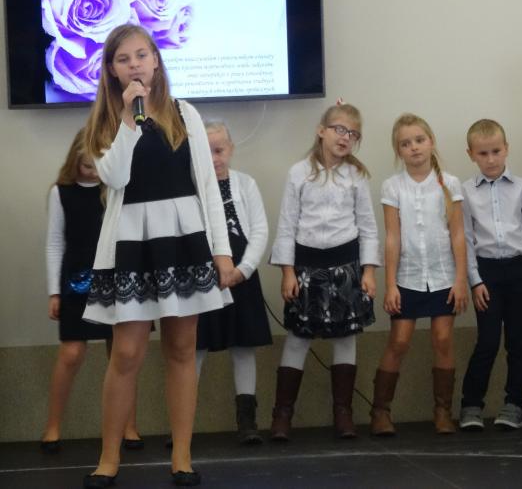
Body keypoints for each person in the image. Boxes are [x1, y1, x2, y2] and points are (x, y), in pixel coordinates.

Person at [81, 24, 233, 488]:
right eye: (124, 58)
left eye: (142, 55)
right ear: (111, 69)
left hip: (183, 238)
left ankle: (181, 457)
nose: (135, 65)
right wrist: (130, 121)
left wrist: (221, 252)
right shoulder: (105, 121)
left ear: (156, 60)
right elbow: (115, 177)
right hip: (131, 242)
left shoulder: (185, 112)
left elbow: (207, 185)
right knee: (126, 352)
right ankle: (109, 458)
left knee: (182, 349)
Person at [269, 102, 379, 440]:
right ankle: (282, 414)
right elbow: (287, 225)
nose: (345, 137)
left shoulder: (357, 176)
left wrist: (369, 271)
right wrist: (288, 272)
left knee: (345, 338)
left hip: (345, 266)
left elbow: (368, 227)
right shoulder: (298, 172)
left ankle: (343, 412)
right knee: (298, 337)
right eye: (339, 129)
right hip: (306, 267)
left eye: (353, 134)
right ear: (322, 131)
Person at [42, 129, 143, 454]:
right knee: (71, 353)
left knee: (123, 354)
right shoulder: (61, 192)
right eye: (87, 166)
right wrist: (54, 292)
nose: (94, 173)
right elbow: (55, 243)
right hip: (77, 280)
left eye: (99, 166)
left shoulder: (116, 189)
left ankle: (128, 425)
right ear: (75, 161)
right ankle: (52, 426)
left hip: (117, 274)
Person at [370, 113, 468, 436]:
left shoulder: (449, 184)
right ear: (398, 150)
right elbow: (392, 237)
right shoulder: (392, 186)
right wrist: (391, 285)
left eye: (419, 140)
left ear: (431, 142)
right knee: (399, 340)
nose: (414, 147)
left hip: (443, 276)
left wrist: (460, 280)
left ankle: (443, 411)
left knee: (443, 339)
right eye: (405, 143)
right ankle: (380, 411)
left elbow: (458, 234)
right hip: (408, 278)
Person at [195, 120, 272, 444]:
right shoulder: (193, 186)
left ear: (231, 149)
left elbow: (260, 230)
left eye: (219, 150)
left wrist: (244, 269)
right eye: (207, 152)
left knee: (243, 347)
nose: (215, 158)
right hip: (204, 278)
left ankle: (247, 422)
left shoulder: (245, 184)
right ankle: (183, 424)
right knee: (194, 347)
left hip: (241, 276)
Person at [457, 119, 522, 432]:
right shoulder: (465, 192)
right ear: (471, 154)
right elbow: (466, 239)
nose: (491, 159)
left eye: (496, 151)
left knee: (518, 341)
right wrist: (475, 281)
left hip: (520, 270)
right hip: (486, 272)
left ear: (506, 149)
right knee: (487, 341)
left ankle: (514, 403)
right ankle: (471, 404)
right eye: (483, 153)